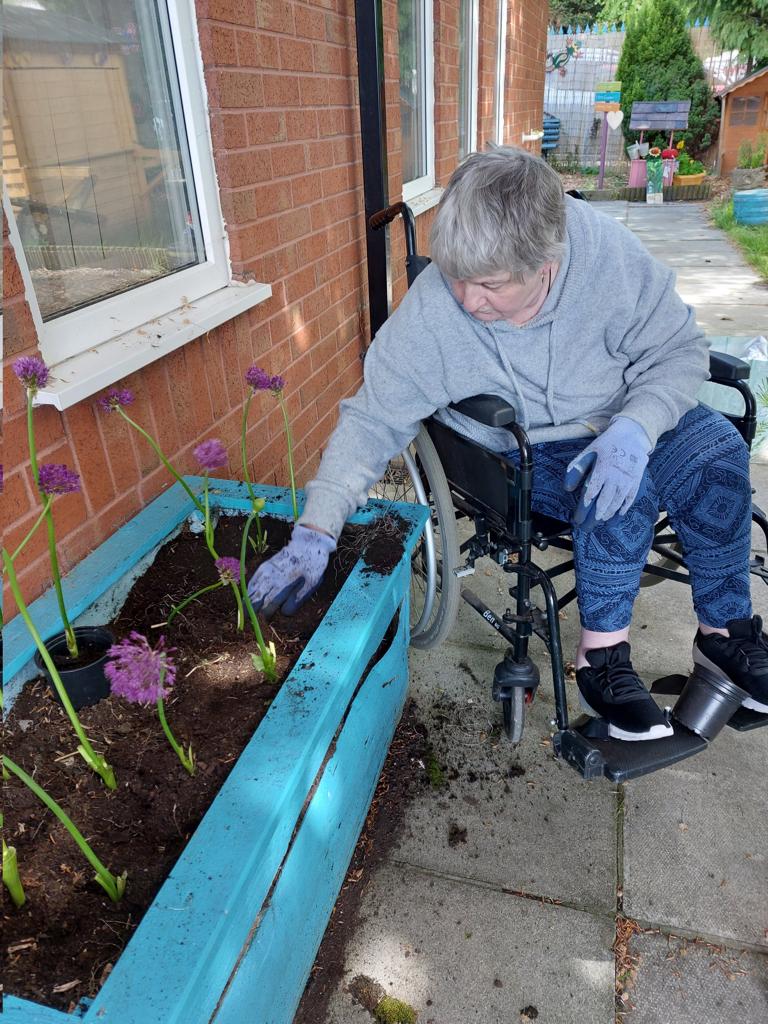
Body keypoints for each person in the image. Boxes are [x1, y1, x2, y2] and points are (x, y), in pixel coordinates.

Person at [248, 146, 768, 741]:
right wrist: (316, 530)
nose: (469, 300)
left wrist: (637, 425)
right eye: (456, 277)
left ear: (547, 262)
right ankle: (600, 657)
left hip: (626, 415)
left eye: (490, 285)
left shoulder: (606, 259)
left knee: (719, 449)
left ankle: (726, 634)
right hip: (528, 447)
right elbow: (372, 418)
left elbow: (677, 350)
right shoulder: (435, 314)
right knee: (622, 489)